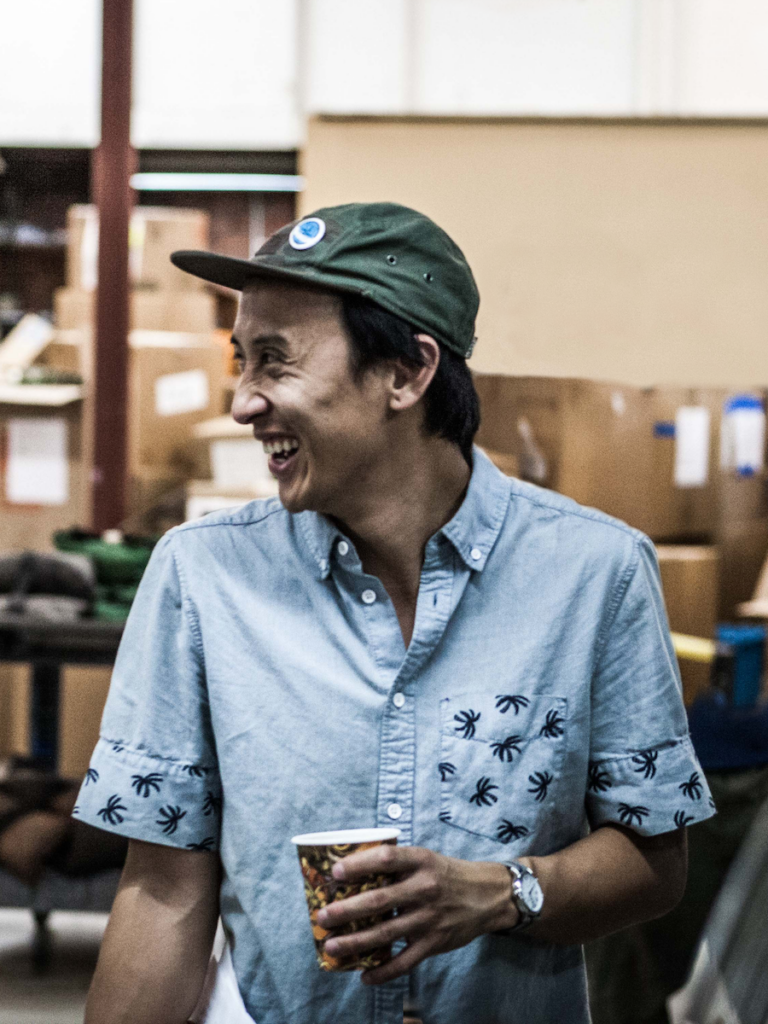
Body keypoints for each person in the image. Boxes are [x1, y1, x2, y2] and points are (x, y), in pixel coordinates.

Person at [76, 202, 715, 1024]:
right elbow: (162, 893)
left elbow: (654, 859)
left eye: (275, 362)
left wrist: (502, 893)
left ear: (408, 373)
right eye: (243, 360)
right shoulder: (204, 579)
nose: (243, 403)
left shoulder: (594, 575)